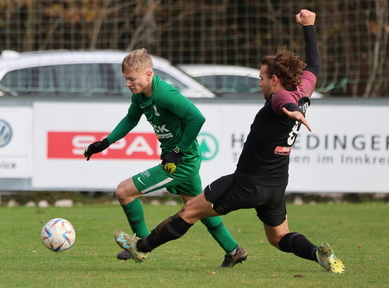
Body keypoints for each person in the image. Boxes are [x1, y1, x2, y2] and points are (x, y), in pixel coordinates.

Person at [114, 9, 346, 273]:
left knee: (189, 210)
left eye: (261, 78)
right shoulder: (302, 91)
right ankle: (317, 252)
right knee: (279, 238)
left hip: (245, 184)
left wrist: (291, 109)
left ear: (275, 79)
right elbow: (314, 66)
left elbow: (282, 100)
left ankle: (141, 247)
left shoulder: (282, 99)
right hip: (276, 187)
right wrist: (310, 27)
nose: (259, 84)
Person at [84, 48, 246, 267]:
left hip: (181, 161)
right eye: (126, 79)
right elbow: (130, 120)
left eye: (132, 79)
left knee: (124, 192)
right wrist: (106, 142)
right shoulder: (141, 96)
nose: (128, 84)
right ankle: (234, 250)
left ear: (148, 74)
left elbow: (197, 118)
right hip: (178, 159)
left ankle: (140, 245)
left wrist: (177, 152)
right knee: (196, 207)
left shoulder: (164, 94)